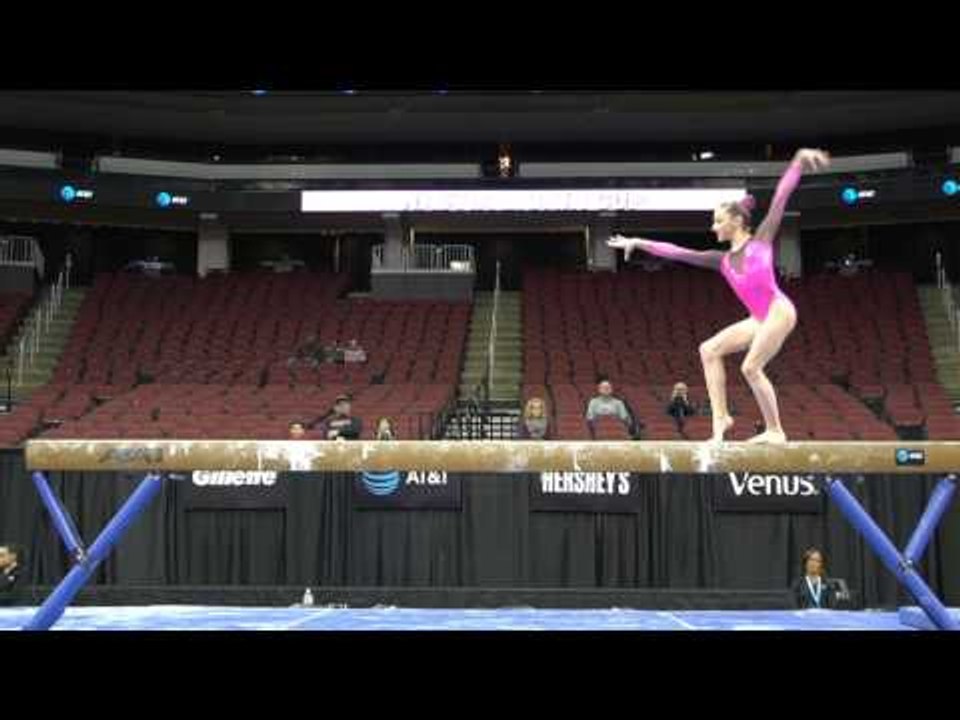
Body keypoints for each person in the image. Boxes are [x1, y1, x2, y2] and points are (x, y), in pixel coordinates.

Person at [609, 148, 831, 444]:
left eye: (718, 221)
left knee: (750, 367)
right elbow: (678, 252)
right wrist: (638, 241)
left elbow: (780, 199)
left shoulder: (761, 241)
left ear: (736, 221)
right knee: (709, 350)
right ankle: (721, 416)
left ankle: (775, 429)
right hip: (759, 318)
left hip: (779, 310)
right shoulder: (721, 260)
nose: (713, 226)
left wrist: (798, 163)